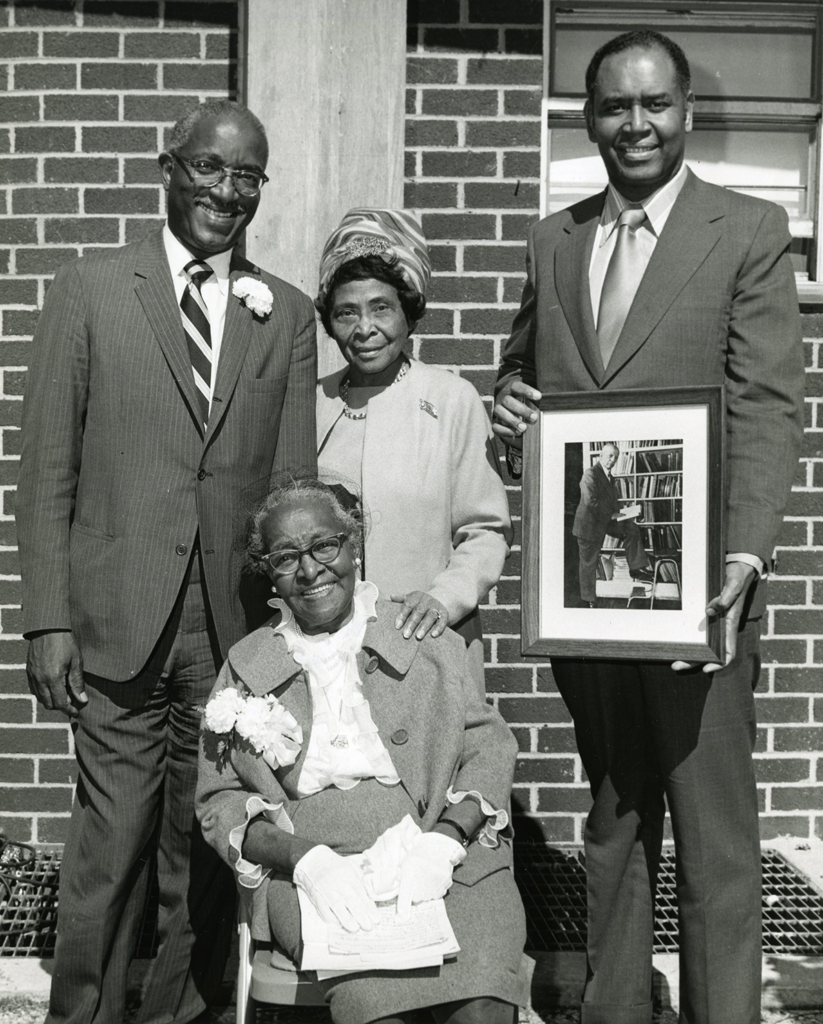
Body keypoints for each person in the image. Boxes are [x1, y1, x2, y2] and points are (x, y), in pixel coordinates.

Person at [493, 29, 804, 1024]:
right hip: (588, 593)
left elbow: (763, 404)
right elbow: (525, 379)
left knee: (714, 845)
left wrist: (743, 557)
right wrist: (507, 410)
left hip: (695, 599)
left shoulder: (747, 229)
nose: (635, 123)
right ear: (588, 119)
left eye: (654, 104)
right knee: (611, 830)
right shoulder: (554, 240)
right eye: (614, 106)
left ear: (684, 113)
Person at [16, 99, 317, 1024]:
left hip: (230, 631)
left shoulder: (286, 316)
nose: (226, 192)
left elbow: (293, 482)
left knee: (210, 852)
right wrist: (48, 617)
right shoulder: (92, 288)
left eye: (247, 177)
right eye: (210, 168)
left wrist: (289, 637)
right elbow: (45, 472)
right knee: (107, 854)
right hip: (115, 624)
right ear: (168, 167)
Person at [195, 478, 531, 1024]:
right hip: (322, 869)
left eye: (325, 546)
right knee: (379, 1010)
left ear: (354, 547)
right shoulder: (247, 663)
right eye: (286, 558)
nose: (309, 570)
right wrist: (305, 860)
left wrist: (445, 840)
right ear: (270, 574)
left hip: (442, 852)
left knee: (484, 1006)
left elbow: (489, 746)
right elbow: (219, 802)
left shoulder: (420, 634)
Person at [315, 209, 511, 684]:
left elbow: (485, 529)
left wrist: (444, 598)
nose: (364, 329)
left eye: (381, 308)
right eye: (347, 312)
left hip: (428, 643)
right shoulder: (312, 401)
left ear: (409, 311)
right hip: (325, 650)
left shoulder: (451, 400)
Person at [573, 442, 651, 606]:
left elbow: (612, 504)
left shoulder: (610, 478)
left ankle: (636, 567)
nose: (612, 460)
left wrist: (627, 514)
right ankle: (589, 602)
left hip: (604, 521)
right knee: (588, 564)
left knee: (631, 528)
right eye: (610, 456)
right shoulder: (590, 474)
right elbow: (590, 503)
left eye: (615, 457)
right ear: (601, 456)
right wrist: (613, 514)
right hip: (588, 526)